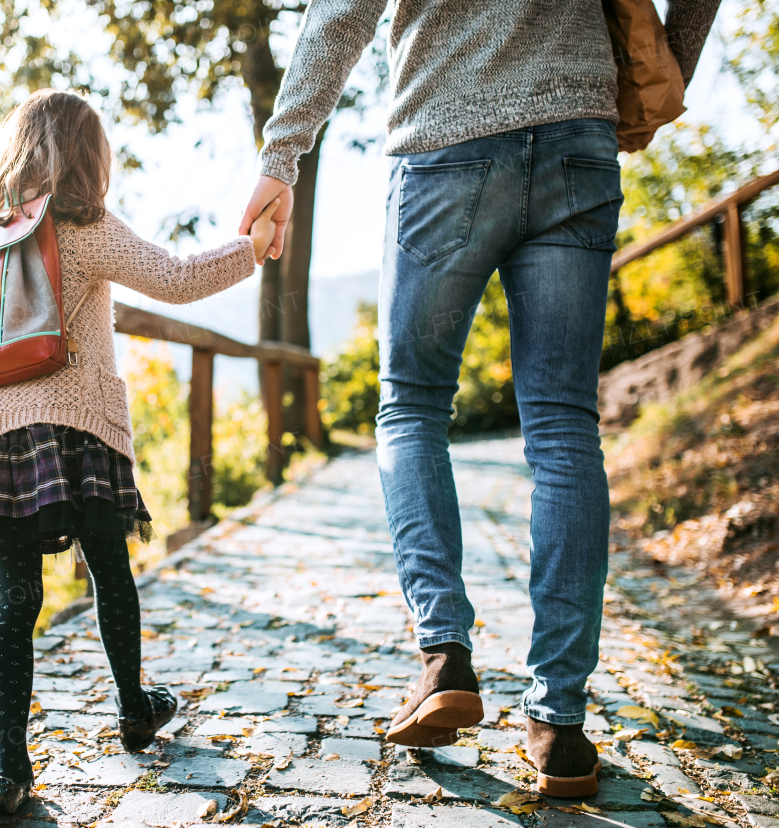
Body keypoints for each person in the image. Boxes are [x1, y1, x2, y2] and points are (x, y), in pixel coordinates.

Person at [239, 0, 720, 798]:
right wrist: (661, 71)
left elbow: (339, 15)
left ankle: (443, 657)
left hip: (444, 133)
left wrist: (281, 154)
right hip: (578, 126)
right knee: (566, 430)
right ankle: (560, 720)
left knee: (412, 406)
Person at [0, 89, 281, 822]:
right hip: (77, 429)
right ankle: (133, 709)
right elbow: (180, 278)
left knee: (15, 597)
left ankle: (10, 771)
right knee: (110, 571)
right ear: (88, 156)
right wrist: (252, 248)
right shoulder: (81, 225)